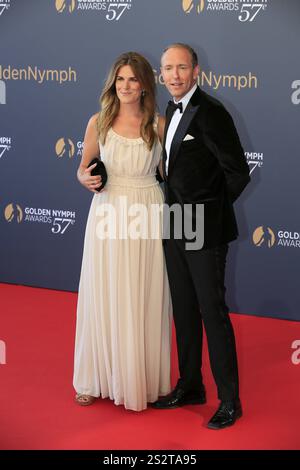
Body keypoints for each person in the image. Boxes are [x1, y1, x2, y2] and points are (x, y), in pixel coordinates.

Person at [152, 43, 250, 429]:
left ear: (196, 72)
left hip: (204, 229)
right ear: (161, 74)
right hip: (174, 223)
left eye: (181, 68)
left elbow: (237, 172)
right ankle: (190, 385)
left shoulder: (212, 112)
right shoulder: (169, 110)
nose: (174, 75)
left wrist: (209, 214)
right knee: (184, 309)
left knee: (212, 312)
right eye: (168, 68)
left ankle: (230, 401)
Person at [73, 52, 171, 412]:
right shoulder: (98, 122)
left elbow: (172, 174)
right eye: (120, 80)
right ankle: (93, 377)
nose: (126, 86)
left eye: (133, 79)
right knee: (106, 290)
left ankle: (139, 378)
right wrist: (85, 179)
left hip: (148, 209)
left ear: (145, 83)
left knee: (142, 291)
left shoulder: (159, 124)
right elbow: (82, 170)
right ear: (113, 84)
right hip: (108, 211)